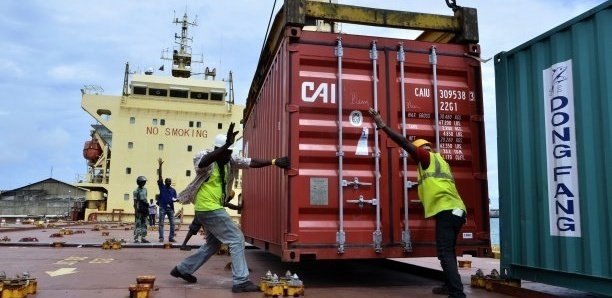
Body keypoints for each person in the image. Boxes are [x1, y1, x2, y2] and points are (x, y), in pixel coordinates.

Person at [170, 122, 289, 293]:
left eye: (231, 152)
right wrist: (225, 146)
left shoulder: (229, 160)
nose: (230, 155)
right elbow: (203, 162)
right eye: (227, 152)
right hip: (207, 207)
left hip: (211, 208)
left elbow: (250, 162)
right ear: (219, 150)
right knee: (236, 238)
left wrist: (274, 161)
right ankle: (241, 281)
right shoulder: (204, 156)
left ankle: (183, 269)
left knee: (213, 244)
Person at [369, 108, 467, 298]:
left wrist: (383, 126)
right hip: (458, 211)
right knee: (449, 252)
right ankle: (450, 286)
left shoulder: (426, 158)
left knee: (444, 252)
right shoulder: (442, 161)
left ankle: (457, 294)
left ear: (421, 149)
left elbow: (405, 143)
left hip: (447, 211)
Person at [157, 158, 177, 243]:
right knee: (161, 223)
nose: (169, 182)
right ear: (165, 182)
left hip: (170, 209)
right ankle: (161, 237)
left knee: (173, 224)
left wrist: (176, 200)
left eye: (170, 181)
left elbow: (175, 199)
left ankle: (171, 237)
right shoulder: (162, 186)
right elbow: (160, 176)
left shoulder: (173, 190)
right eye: (167, 181)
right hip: (163, 207)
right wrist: (160, 166)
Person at [133, 175, 150, 243]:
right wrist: (136, 210)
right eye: (143, 182)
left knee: (144, 223)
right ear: (139, 182)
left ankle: (143, 238)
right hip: (139, 208)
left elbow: (146, 198)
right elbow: (135, 202)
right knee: (138, 223)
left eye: (145, 182)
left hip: (144, 207)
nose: (144, 183)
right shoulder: (136, 191)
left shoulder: (145, 189)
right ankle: (136, 238)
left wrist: (147, 208)